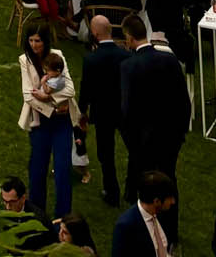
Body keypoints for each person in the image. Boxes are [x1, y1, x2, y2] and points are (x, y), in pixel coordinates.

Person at [120, 15, 189, 244]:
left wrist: (131, 142)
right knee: (169, 180)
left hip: (144, 141)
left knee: (146, 187)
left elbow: (127, 110)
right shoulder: (169, 60)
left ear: (129, 38)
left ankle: (147, 235)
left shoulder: (128, 66)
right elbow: (183, 100)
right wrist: (181, 133)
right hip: (171, 137)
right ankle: (171, 232)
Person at [20, 28, 78, 222]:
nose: (34, 45)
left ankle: (63, 219)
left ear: (45, 41)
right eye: (31, 40)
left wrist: (48, 97)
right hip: (40, 122)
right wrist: (52, 108)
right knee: (37, 169)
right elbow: (28, 95)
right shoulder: (24, 60)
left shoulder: (58, 56)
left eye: (38, 40)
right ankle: (37, 217)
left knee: (62, 168)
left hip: (62, 123)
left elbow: (70, 88)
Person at [81, 13, 128, 209]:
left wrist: (82, 111)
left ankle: (112, 191)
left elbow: (86, 88)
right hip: (125, 110)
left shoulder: (91, 59)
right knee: (134, 148)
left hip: (102, 112)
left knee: (106, 154)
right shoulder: (126, 55)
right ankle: (133, 189)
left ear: (95, 33)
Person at [111, 171, 178, 257]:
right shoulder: (125, 227)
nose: (173, 202)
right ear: (156, 201)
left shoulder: (161, 214)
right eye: (170, 198)